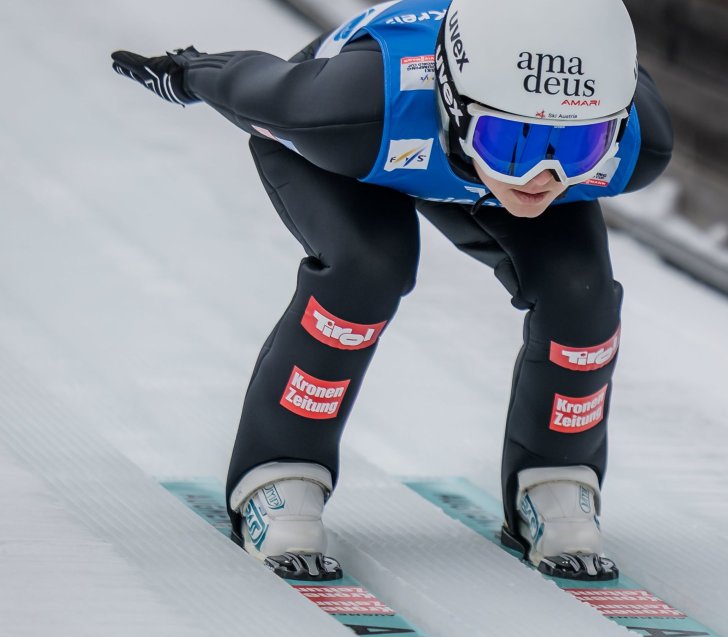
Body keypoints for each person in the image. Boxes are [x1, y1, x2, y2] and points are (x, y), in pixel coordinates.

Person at [110, 0, 672, 582]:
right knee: (367, 269)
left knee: (582, 297)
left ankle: (557, 478)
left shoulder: (634, 139)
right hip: (367, 145)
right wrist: (186, 71)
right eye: (515, 140)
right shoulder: (343, 110)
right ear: (454, 104)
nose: (541, 177)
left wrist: (522, 147)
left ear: (613, 124)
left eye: (578, 145)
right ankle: (278, 474)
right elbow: (254, 82)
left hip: (436, 141)